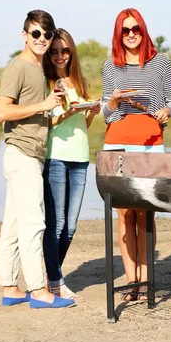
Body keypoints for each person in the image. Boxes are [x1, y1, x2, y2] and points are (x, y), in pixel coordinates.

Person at [0, 10, 75, 309]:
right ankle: (39, 291)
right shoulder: (18, 67)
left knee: (14, 224)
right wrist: (42, 103)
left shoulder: (38, 69)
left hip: (28, 154)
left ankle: (10, 287)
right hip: (22, 153)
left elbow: (35, 111)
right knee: (34, 223)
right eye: (36, 34)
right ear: (25, 35)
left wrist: (54, 102)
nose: (42, 39)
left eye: (47, 34)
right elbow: (2, 111)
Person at [101, 8, 171, 301]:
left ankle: (147, 280)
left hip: (150, 144)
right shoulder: (111, 67)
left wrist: (165, 110)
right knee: (124, 215)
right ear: (118, 34)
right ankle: (131, 281)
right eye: (125, 30)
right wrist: (111, 101)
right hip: (117, 144)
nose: (131, 34)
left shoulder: (161, 63)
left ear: (143, 31)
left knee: (146, 214)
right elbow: (108, 116)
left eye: (136, 29)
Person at [42, 28, 101, 302]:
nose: (59, 56)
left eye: (64, 51)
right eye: (54, 51)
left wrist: (91, 112)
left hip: (80, 158)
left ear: (71, 52)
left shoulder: (80, 81)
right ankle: (55, 280)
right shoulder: (46, 83)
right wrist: (66, 112)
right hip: (55, 156)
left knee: (71, 226)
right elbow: (47, 124)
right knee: (57, 224)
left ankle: (49, 274)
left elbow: (84, 125)